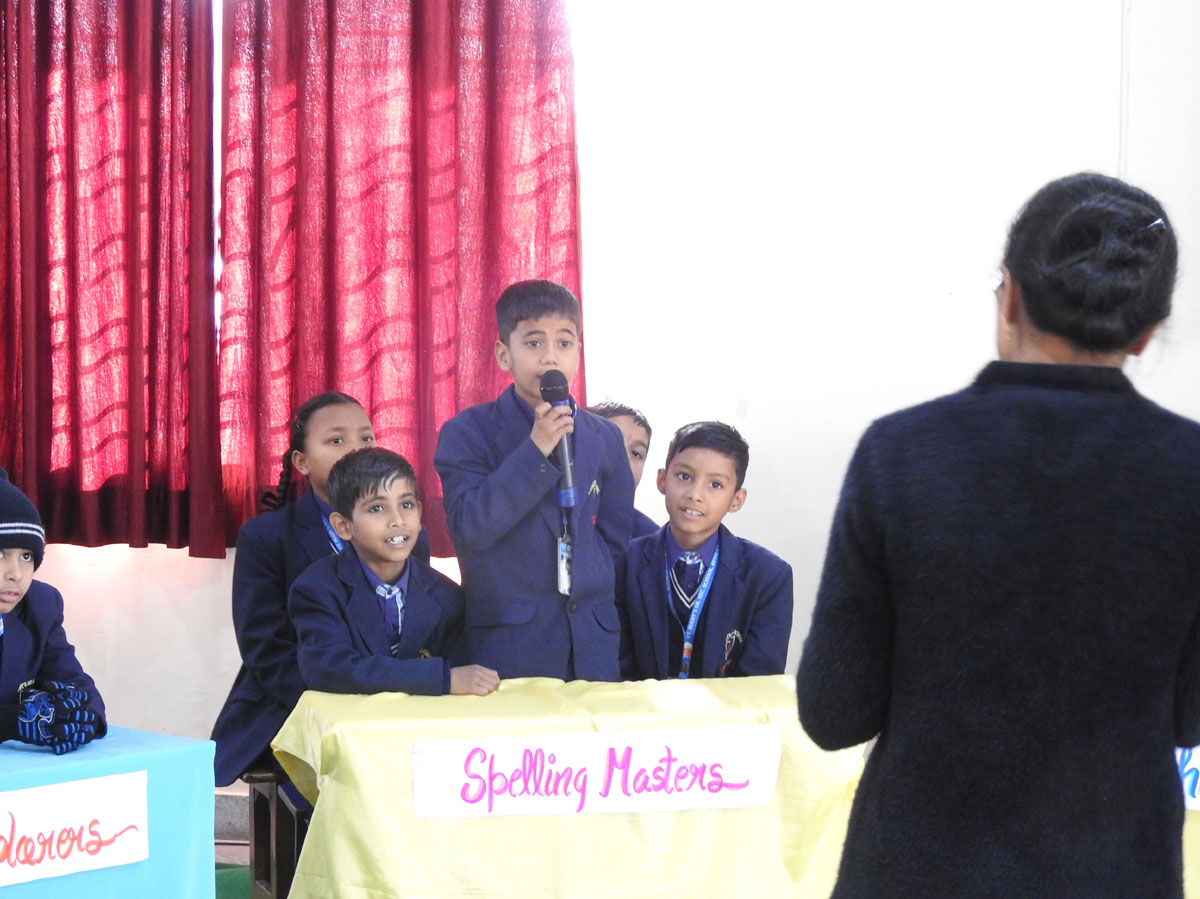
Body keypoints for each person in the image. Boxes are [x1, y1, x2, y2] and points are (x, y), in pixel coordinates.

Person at [797, 173, 1200, 897]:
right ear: (1145, 332)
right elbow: (1191, 715)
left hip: (919, 870)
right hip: (1117, 871)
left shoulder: (901, 454)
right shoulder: (1190, 472)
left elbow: (833, 712)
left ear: (1009, 295)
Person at [210, 392, 429, 792]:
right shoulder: (266, 537)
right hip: (296, 705)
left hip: (387, 700)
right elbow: (266, 650)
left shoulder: (406, 534)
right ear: (302, 462)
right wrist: (335, 707)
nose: (355, 449)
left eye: (365, 438)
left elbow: (414, 632)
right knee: (346, 781)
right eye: (336, 440)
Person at [434, 279, 634, 680]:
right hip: (511, 644)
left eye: (564, 342)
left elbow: (614, 539)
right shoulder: (468, 432)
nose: (550, 356)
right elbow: (470, 527)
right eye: (534, 342)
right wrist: (535, 449)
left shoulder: (606, 437)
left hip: (591, 643)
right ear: (503, 354)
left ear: (578, 351)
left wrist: (590, 584)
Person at [289, 447, 498, 696]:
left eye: (406, 505)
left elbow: (462, 673)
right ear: (343, 526)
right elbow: (328, 670)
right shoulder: (317, 589)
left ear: (419, 513)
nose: (398, 520)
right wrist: (441, 678)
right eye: (377, 508)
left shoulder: (447, 596)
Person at [619, 421, 792, 679]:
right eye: (684, 476)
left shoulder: (768, 577)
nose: (695, 494)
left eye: (715, 485)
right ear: (662, 480)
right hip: (640, 704)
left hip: (728, 707)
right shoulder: (624, 563)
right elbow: (616, 667)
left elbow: (759, 681)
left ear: (736, 500)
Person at [0, 468, 105, 755]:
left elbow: (77, 686)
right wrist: (10, 723)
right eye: (1, 554)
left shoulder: (41, 604)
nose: (15, 574)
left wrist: (79, 718)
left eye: (26, 556)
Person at [589, 401, 659, 538]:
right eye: (612, 443)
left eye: (636, 453)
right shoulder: (555, 513)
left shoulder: (650, 539)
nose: (624, 459)